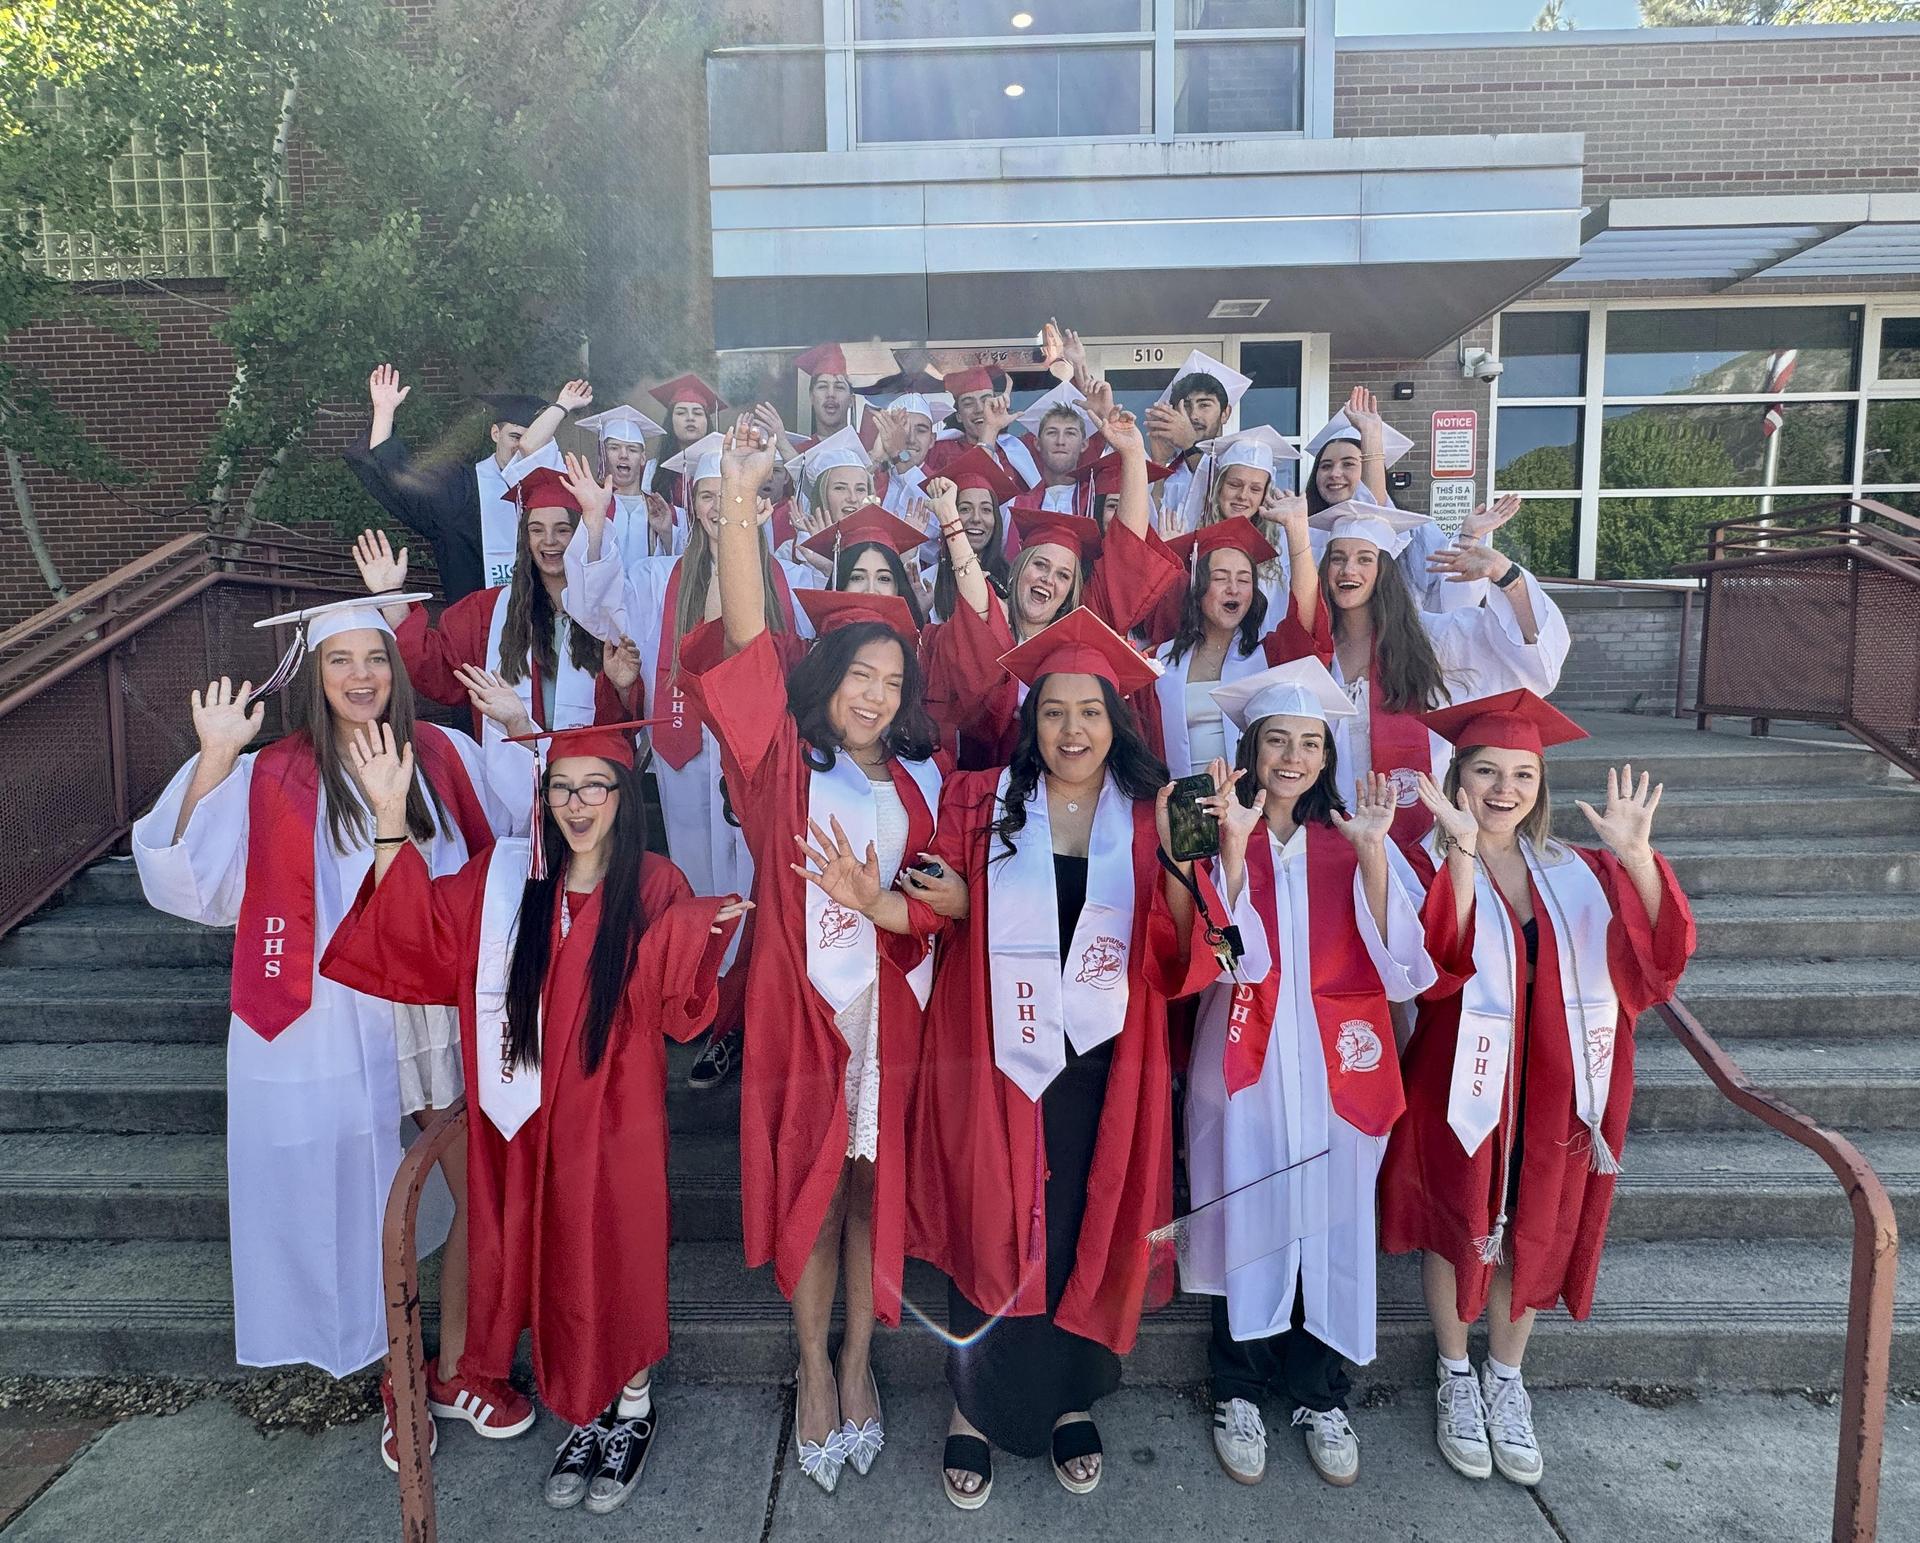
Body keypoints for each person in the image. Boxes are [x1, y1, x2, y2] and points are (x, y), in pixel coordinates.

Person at [130, 595, 535, 1468]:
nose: (362, 677)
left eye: (376, 659)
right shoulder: (271, 772)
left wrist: (517, 726)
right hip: (329, 1019)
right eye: (342, 661)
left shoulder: (440, 752)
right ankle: (398, 1383)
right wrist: (211, 761)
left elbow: (522, 830)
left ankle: (455, 1364)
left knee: (483, 1187)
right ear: (314, 675)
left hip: (433, 1004)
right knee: (362, 1202)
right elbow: (190, 882)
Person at [320, 715, 749, 1516]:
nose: (578, 803)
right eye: (562, 786)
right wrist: (387, 818)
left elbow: (674, 1007)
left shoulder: (654, 883)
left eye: (596, 786)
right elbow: (413, 935)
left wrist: (697, 931)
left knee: (615, 1253)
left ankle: (632, 1406)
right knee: (554, 1257)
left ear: (626, 794)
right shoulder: (504, 878)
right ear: (543, 794)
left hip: (616, 1121)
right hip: (525, 1120)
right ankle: (585, 1414)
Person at [880, 606, 1223, 1509]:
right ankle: (972, 1408)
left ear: (1119, 720)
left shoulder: (1157, 816)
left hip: (1107, 1066)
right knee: (989, 1223)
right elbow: (926, 912)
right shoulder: (980, 800)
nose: (1073, 730)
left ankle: (1072, 1395)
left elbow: (1183, 952)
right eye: (1054, 711)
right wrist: (941, 903)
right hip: (999, 1056)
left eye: (1091, 711)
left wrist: (1192, 869)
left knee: (1082, 1225)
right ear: (1031, 722)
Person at [688, 420, 954, 1494]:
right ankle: (811, 1363)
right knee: (812, 1193)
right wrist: (741, 501)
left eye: (893, 678)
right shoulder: (781, 769)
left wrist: (885, 900)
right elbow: (749, 643)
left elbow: (942, 911)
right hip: (805, 1015)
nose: (876, 693)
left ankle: (858, 1359)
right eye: (860, 672)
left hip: (892, 1023)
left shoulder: (922, 788)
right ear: (831, 673)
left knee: (866, 1193)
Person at [1380, 692, 1694, 1488]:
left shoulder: (1579, 871)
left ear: (1540, 785)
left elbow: (1656, 963)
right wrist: (1457, 855)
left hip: (1560, 1087)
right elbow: (1433, 965)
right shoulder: (1422, 858)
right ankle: (1456, 1372)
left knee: (1535, 1221)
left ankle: (1507, 1379)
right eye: (1486, 769)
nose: (1504, 787)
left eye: (1522, 772)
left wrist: (1636, 860)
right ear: (1460, 775)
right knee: (1461, 1216)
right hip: (1465, 1080)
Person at [1185, 659, 1438, 1489]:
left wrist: (1370, 856)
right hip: (1250, 1063)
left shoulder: (1354, 837)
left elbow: (1406, 966)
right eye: (1277, 740)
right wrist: (1229, 850)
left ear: (1327, 753)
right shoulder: (1224, 829)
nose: (1293, 756)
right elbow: (1227, 960)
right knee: (1254, 1214)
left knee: (1333, 1221)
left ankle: (1322, 1392)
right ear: (1251, 750)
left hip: (1338, 1068)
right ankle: (1239, 1388)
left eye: (1309, 741)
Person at [560, 441, 798, 1092]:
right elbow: (591, 605)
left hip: (756, 757)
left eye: (731, 493)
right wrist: (596, 522)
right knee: (699, 887)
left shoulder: (779, 579)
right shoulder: (654, 578)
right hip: (687, 759)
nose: (720, 505)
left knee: (758, 884)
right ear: (693, 504)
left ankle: (755, 1019)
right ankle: (711, 1019)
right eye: (709, 494)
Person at [918, 404, 1186, 769]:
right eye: (1040, 565)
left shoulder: (1085, 627)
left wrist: (1132, 454)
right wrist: (950, 518)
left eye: (1063, 575)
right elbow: (976, 597)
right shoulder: (995, 621)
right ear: (1018, 570)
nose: (1049, 579)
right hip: (998, 786)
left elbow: (1129, 548)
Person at [1294, 498, 1571, 849]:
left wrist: (1507, 576)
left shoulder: (1431, 640)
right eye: (1338, 558)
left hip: (1418, 835)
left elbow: (1529, 663)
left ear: (1384, 571)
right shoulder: (1316, 649)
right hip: (1326, 828)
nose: (1349, 570)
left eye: (1364, 559)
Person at [357, 465, 621, 743]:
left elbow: (631, 703)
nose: (549, 541)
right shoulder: (487, 611)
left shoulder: (610, 609)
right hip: (510, 774)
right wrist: (391, 594)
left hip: (592, 773)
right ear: (525, 538)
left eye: (563, 529)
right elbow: (437, 671)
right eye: (536, 529)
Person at [344, 366, 589, 600]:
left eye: (530, 438)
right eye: (514, 436)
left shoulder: (556, 493)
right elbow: (401, 484)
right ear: (495, 434)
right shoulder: (462, 487)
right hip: (476, 628)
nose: (519, 447)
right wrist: (384, 413)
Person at [1302, 387, 1518, 613]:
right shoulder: (1302, 533)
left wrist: (1468, 538)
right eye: (1325, 466)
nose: (1335, 473)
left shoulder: (1416, 532)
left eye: (1349, 464)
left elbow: (1451, 599)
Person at [1147, 514, 1317, 780]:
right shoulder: (1159, 662)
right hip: (1178, 810)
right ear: (1197, 586)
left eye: (1244, 579)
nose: (1234, 589)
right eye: (1221, 578)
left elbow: (1307, 625)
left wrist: (1298, 534)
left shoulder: (1268, 657)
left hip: (1248, 810)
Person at [1143, 351, 1250, 521]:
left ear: (1225, 413)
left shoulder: (1243, 461)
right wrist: (1159, 462)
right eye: (1186, 405)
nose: (1193, 415)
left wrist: (1188, 444)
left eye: (1204, 405)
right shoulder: (1170, 468)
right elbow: (1150, 522)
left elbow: (1220, 497)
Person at [922, 366, 1040, 486]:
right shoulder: (940, 450)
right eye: (968, 404)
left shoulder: (1020, 449)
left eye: (986, 401)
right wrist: (990, 431)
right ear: (959, 416)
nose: (979, 409)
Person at [1013, 382, 1100, 512]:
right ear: (1037, 443)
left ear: (1083, 444)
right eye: (1052, 432)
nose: (1060, 441)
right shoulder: (1019, 505)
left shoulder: (1096, 501)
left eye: (1070, 433)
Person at [646, 372, 727, 508]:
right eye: (681, 412)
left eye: (697, 413)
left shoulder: (723, 466)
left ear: (707, 421)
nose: (690, 418)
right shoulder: (651, 471)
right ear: (670, 422)